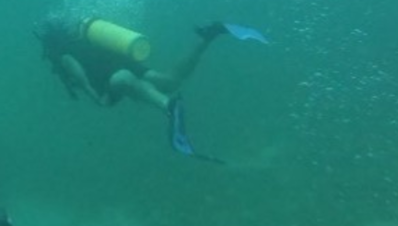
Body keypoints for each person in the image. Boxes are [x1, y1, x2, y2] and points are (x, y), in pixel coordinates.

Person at [37, 16, 267, 161]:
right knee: (170, 80)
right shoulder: (83, 38)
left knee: (124, 81)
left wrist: (96, 97)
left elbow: (77, 71)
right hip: (124, 64)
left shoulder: (63, 54)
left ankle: (168, 105)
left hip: (116, 76)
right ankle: (208, 37)